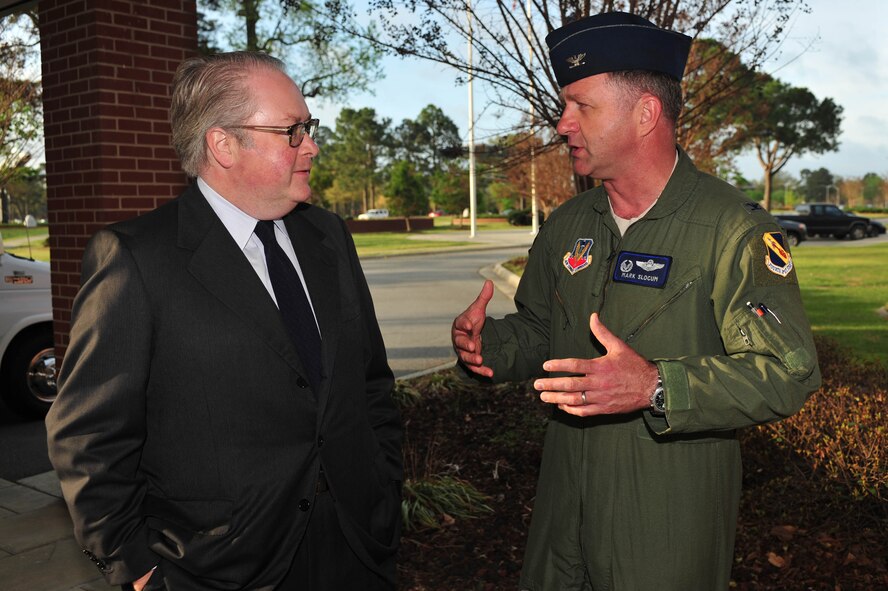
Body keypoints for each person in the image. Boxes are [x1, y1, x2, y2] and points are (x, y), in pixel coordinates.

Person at [451, 12, 820, 591]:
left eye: (581, 106)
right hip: (561, 520)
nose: (562, 124)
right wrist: (487, 346)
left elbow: (787, 373)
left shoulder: (731, 231)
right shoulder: (570, 222)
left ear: (646, 113)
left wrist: (655, 386)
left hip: (667, 525)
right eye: (563, 105)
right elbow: (542, 332)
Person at [46, 51, 402, 591]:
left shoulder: (329, 236)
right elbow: (87, 436)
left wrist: (385, 485)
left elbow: (371, 382)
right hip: (219, 568)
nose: (312, 145)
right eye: (293, 130)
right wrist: (132, 565)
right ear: (223, 144)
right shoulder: (136, 259)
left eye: (310, 127)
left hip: (357, 543)